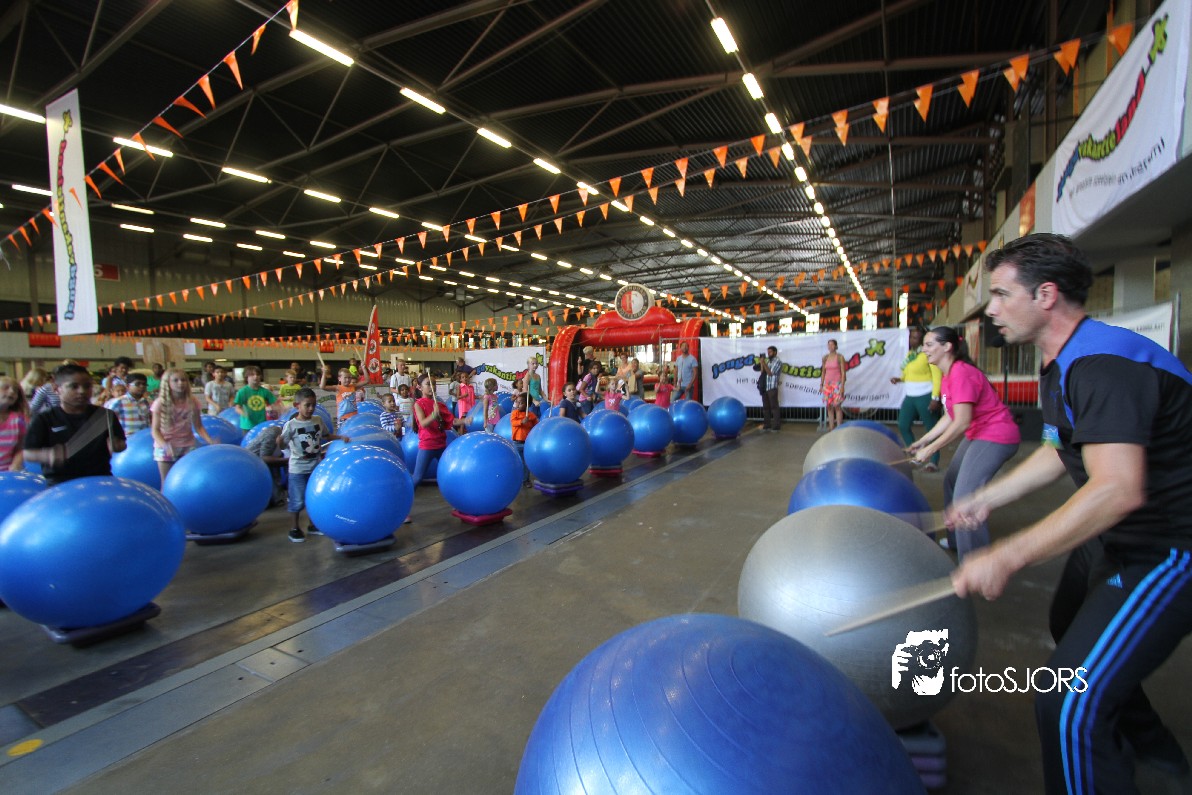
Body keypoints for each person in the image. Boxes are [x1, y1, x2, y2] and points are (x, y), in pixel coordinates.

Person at [947, 233, 1192, 794]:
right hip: (1121, 536)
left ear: (1046, 295)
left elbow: (1116, 489)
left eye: (1002, 295)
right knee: (1068, 621)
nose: (991, 310)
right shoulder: (1062, 361)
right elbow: (1061, 450)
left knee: (1067, 701)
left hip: (1171, 546)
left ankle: (1127, 752)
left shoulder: (1103, 364)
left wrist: (1007, 554)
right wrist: (987, 498)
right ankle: (1152, 752)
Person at [908, 326, 1020, 558]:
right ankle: (957, 541)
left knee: (965, 496)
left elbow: (961, 422)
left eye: (929, 345)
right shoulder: (948, 375)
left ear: (947, 347)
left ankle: (974, 561)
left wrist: (931, 449)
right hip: (978, 434)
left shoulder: (961, 372)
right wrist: (924, 440)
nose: (924, 349)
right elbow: (950, 416)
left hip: (995, 435)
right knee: (952, 481)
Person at [23, 364, 127, 485]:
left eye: (87, 386)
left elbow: (121, 444)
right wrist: (47, 455)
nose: (82, 391)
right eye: (74, 386)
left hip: (100, 480)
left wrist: (118, 446)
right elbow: (27, 453)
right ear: (57, 389)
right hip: (61, 483)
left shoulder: (105, 415)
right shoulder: (44, 419)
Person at [280, 388, 346, 542]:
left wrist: (341, 437)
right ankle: (294, 528)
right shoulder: (291, 425)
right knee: (297, 500)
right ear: (297, 405)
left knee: (313, 497)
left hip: (315, 467)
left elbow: (326, 435)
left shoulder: (317, 420)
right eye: (307, 405)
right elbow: (283, 444)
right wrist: (279, 440)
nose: (310, 409)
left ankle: (312, 525)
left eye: (313, 405)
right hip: (297, 469)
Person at [892, 326, 943, 472]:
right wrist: (900, 379)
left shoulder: (927, 354)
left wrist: (935, 397)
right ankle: (916, 456)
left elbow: (937, 376)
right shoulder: (911, 354)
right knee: (903, 425)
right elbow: (908, 373)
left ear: (922, 340)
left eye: (915, 338)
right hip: (910, 395)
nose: (912, 340)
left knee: (931, 429)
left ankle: (933, 461)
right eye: (911, 337)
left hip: (925, 394)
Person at [152, 367, 213, 482]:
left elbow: (199, 426)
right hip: (166, 446)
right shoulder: (160, 403)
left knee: (187, 481)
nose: (180, 383)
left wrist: (210, 441)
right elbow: (155, 430)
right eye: (175, 380)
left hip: (187, 445)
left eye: (183, 380)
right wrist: (165, 445)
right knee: (167, 481)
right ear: (168, 383)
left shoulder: (193, 401)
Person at [410, 375, 453, 489]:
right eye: (428, 384)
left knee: (449, 472)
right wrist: (434, 414)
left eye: (434, 384)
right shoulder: (418, 404)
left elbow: (450, 420)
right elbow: (423, 423)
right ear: (419, 387)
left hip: (441, 444)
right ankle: (403, 495)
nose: (432, 387)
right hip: (427, 445)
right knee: (418, 477)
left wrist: (465, 420)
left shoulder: (439, 404)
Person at [245, 422, 287, 508]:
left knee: (276, 473)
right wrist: (287, 460)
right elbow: (264, 458)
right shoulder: (273, 433)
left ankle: (276, 498)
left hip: (268, 458)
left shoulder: (286, 437)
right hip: (252, 461)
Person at [107, 371, 152, 436]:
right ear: (128, 386)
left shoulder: (145, 402)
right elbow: (107, 422)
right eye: (137, 384)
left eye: (144, 384)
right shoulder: (119, 402)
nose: (142, 386)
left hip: (145, 437)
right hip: (127, 439)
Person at [234, 366, 276, 432]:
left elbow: (275, 404)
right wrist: (244, 414)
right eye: (252, 375)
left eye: (258, 375)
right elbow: (237, 408)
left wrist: (280, 409)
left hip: (261, 424)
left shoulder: (265, 391)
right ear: (247, 377)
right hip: (248, 425)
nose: (255, 377)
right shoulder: (242, 392)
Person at [752, 346, 783, 432]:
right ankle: (767, 424)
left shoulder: (778, 362)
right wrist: (762, 364)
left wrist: (764, 363)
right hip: (765, 387)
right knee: (765, 407)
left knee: (774, 406)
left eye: (770, 352)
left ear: (775, 352)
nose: (768, 353)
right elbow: (763, 372)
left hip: (772, 387)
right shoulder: (768, 361)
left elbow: (770, 373)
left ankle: (776, 426)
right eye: (768, 352)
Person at [0, 376, 28, 471]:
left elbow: (21, 447)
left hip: (8, 472)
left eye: (15, 390)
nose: (12, 391)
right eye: (5, 388)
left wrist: (15, 464)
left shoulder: (19, 420)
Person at [510, 394, 538, 485]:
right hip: (517, 442)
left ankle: (526, 480)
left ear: (528, 405)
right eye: (517, 402)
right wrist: (521, 422)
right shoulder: (515, 413)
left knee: (526, 462)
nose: (518, 404)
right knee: (518, 462)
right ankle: (517, 478)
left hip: (527, 443)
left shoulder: (531, 415)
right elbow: (513, 422)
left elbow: (536, 426)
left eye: (521, 403)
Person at [820, 339, 847, 430]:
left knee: (837, 406)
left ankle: (839, 427)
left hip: (837, 384)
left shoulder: (840, 357)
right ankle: (831, 426)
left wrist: (842, 386)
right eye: (829, 345)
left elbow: (843, 372)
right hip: (827, 385)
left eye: (832, 345)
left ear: (836, 346)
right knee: (829, 406)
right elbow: (823, 372)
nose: (830, 346)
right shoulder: (825, 358)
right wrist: (821, 384)